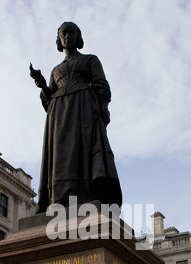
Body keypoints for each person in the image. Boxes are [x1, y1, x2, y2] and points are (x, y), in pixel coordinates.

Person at [30, 22, 122, 213]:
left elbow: (101, 85)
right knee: (59, 158)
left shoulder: (90, 60)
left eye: (71, 33)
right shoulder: (55, 70)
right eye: (63, 34)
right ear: (58, 39)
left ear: (78, 37)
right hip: (58, 115)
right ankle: (59, 199)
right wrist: (42, 86)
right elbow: (49, 101)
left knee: (82, 152)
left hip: (83, 110)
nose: (67, 37)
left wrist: (103, 108)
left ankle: (85, 195)